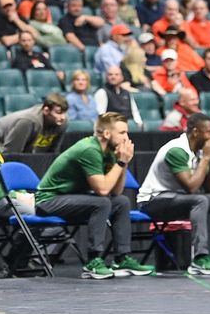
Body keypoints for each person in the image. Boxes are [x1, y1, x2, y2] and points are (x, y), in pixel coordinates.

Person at [36, 112, 156, 279]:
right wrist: (121, 162)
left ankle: (122, 258)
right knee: (102, 202)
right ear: (107, 134)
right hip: (49, 201)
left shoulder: (109, 150)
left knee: (121, 202)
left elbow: (117, 191)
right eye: (122, 133)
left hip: (73, 198)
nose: (126, 137)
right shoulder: (90, 149)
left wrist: (123, 162)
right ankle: (93, 261)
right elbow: (103, 190)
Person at [137, 113, 210, 276]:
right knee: (199, 200)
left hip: (178, 199)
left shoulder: (198, 151)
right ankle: (200, 258)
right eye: (209, 132)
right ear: (195, 132)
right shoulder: (177, 150)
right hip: (153, 202)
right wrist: (206, 158)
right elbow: (191, 187)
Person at [0, 93, 68, 154]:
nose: (63, 117)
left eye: (64, 113)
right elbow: (11, 152)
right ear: (46, 110)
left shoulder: (62, 122)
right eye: (58, 113)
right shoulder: (27, 121)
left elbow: (53, 152)